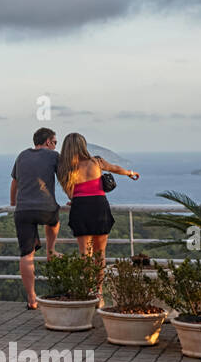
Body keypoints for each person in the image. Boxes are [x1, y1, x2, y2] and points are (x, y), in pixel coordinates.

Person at [56, 133, 139, 261]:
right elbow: (115, 168)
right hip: (99, 207)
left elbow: (71, 194)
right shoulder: (97, 161)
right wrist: (130, 173)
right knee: (100, 255)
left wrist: (77, 200)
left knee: (85, 255)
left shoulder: (65, 169)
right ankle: (99, 282)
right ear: (83, 146)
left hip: (80, 208)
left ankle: (87, 281)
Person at [10, 127, 61, 309]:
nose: (55, 146)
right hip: (46, 208)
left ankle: (32, 299)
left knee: (26, 255)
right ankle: (51, 250)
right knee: (54, 221)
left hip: (23, 210)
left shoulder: (22, 155)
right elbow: (64, 179)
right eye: (55, 142)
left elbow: (14, 182)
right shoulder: (54, 156)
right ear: (48, 142)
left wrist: (13, 203)